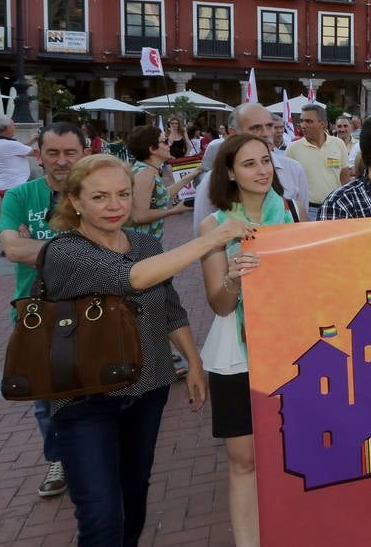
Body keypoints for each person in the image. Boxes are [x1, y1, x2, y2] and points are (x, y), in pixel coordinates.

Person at [43, 154, 251, 547]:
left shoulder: (144, 242)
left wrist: (193, 363)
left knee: (134, 500)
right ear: (75, 202)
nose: (115, 205)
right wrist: (212, 238)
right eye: (100, 197)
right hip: (85, 400)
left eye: (122, 194)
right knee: (101, 516)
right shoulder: (65, 252)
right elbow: (134, 278)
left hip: (147, 389)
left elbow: (169, 306)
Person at [196, 134, 293, 547]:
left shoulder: (288, 213)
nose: (262, 170)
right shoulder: (213, 226)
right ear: (230, 173)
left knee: (286, 455)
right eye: (249, 164)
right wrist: (233, 279)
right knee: (243, 461)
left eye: (266, 160)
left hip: (285, 343)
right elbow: (218, 304)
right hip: (235, 353)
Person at [0, 122, 91, 498]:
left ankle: (91, 457)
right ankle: (59, 458)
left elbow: (111, 250)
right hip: (35, 311)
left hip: (91, 308)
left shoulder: (96, 194)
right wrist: (79, 251)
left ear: (84, 152)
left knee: (94, 387)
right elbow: (11, 250)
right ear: (39, 155)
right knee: (43, 398)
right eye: (53, 152)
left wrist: (37, 247)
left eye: (70, 152)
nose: (62, 161)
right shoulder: (20, 196)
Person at [194, 104, 309, 230]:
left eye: (270, 126)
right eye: (255, 128)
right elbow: (203, 242)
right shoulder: (212, 180)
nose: (265, 133)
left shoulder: (294, 170)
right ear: (233, 133)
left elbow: (303, 233)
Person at [126, 125, 197, 239]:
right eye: (164, 141)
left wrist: (191, 175)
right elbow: (139, 216)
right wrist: (173, 211)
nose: (169, 144)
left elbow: (163, 194)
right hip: (141, 243)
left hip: (147, 241)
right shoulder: (145, 174)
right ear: (152, 149)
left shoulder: (149, 169)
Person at [285, 104, 352, 221]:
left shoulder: (338, 144)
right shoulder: (292, 149)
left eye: (309, 121)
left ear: (323, 124)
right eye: (301, 121)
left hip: (335, 208)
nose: (303, 125)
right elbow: (287, 182)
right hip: (308, 210)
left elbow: (344, 174)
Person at [0, 116, 38, 197]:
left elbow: (18, 150)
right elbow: (36, 153)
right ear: (7, 128)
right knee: (21, 209)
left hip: (3, 185)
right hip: (15, 186)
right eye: (13, 125)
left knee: (9, 209)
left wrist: (32, 141)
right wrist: (44, 141)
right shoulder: (10, 144)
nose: (15, 127)